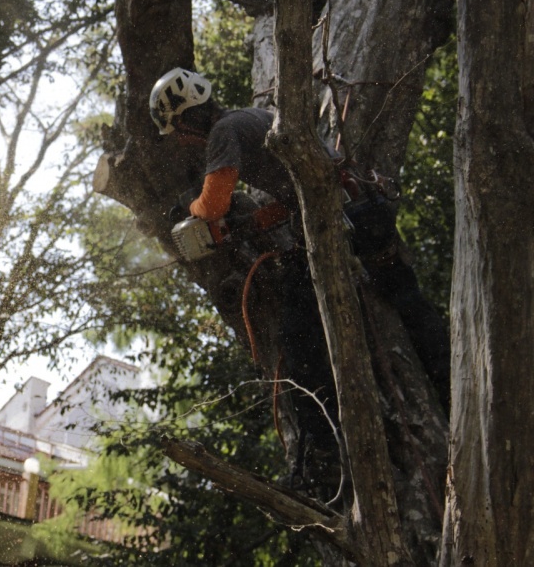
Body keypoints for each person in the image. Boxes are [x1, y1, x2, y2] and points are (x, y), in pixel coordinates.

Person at [150, 67, 451, 485]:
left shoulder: (224, 132)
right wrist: (255, 222)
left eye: (177, 131)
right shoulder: (251, 117)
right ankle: (455, 390)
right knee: (408, 305)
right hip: (363, 210)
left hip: (337, 225)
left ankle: (322, 461)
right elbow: (301, 192)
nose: (181, 140)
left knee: (299, 343)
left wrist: (192, 208)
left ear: (184, 117)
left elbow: (214, 203)